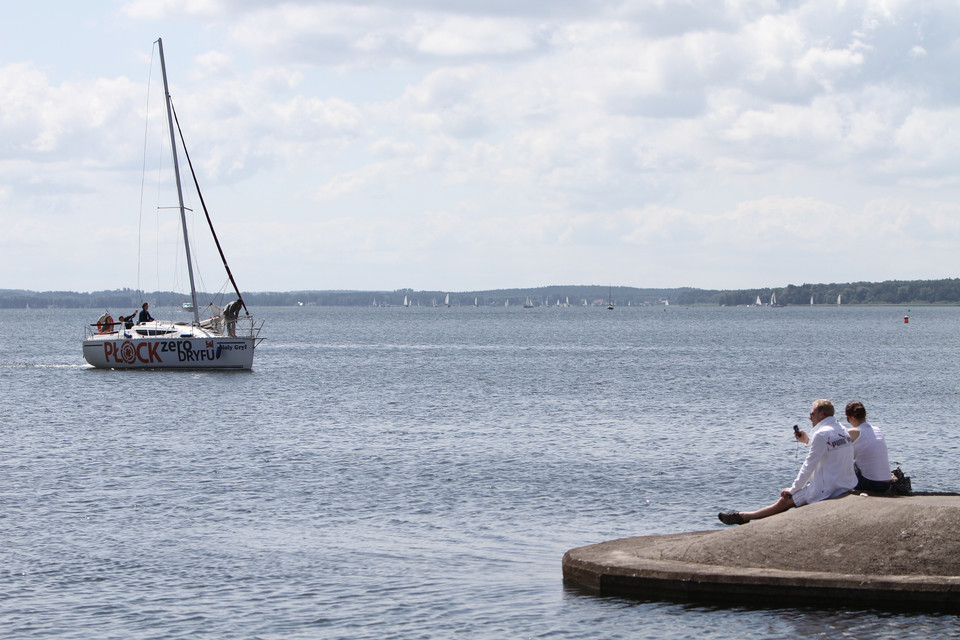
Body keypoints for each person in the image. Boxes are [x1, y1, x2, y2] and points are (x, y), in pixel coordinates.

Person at [718, 399, 857, 525]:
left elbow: (808, 466)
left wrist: (793, 489)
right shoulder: (842, 430)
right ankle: (745, 516)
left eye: (812, 413)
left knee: (785, 501)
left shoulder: (821, 434)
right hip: (844, 485)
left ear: (821, 415)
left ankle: (744, 516)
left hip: (828, 490)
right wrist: (807, 441)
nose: (809, 417)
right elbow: (828, 450)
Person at [845, 401, 892, 493]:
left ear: (850, 418)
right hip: (887, 483)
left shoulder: (853, 432)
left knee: (845, 464)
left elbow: (846, 458)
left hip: (871, 483)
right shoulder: (877, 429)